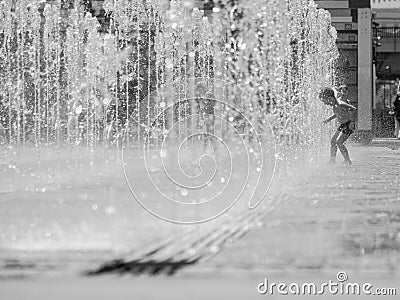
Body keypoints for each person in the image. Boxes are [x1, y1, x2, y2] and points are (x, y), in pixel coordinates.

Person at [319, 87, 357, 165]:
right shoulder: (336, 105)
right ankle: (332, 160)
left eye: (324, 101)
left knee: (339, 142)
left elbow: (353, 109)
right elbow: (337, 114)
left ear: (329, 98)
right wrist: (328, 119)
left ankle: (347, 160)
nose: (325, 103)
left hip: (348, 124)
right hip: (343, 125)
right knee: (333, 141)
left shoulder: (340, 104)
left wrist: (352, 122)